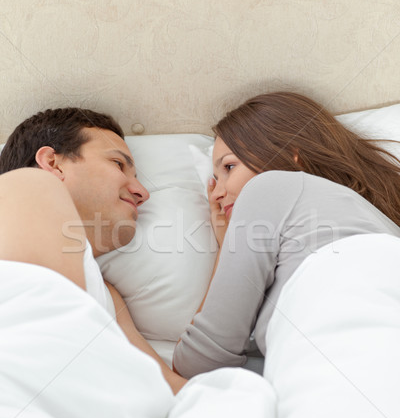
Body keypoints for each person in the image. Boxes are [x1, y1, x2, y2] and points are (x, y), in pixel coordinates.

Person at [173, 91, 400, 378]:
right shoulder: (383, 226)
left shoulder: (270, 186)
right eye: (215, 178)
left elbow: (198, 362)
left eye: (229, 167)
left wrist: (224, 251)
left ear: (290, 158)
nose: (216, 193)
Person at [0, 107, 186, 393]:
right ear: (53, 163)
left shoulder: (106, 294)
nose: (142, 192)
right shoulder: (20, 188)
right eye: (118, 164)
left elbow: (169, 388)